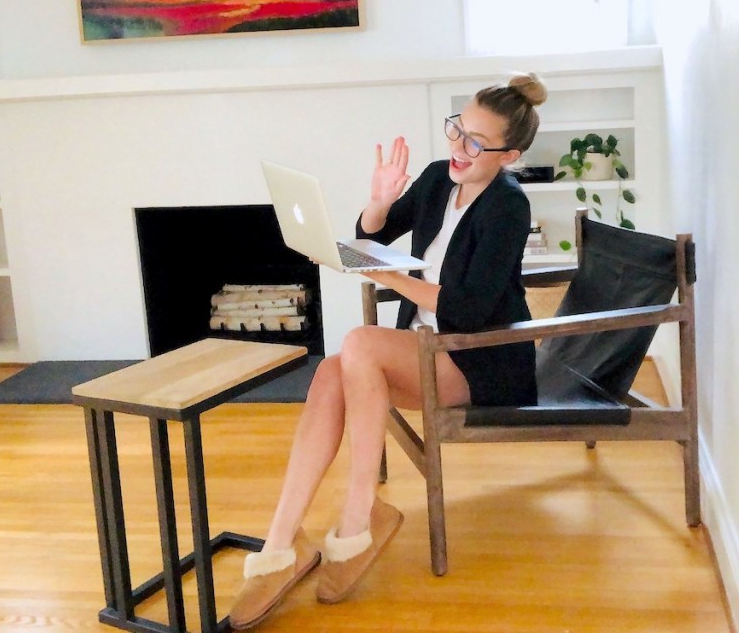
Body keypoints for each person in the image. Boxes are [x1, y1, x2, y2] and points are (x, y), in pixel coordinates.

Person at [228, 73, 548, 629]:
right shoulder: (435, 178)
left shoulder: (507, 207)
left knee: (358, 343)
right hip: (426, 348)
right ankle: (281, 544)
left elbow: (468, 310)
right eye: (457, 131)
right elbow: (372, 234)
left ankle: (357, 521)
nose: (458, 149)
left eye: (476, 142)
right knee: (331, 373)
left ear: (510, 154)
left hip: (481, 356)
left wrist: (386, 276)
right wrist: (378, 203)